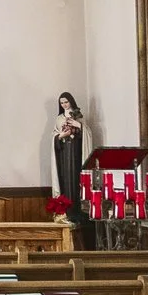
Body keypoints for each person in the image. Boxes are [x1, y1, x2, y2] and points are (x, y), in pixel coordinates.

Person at [53, 92, 86, 224]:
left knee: (76, 179)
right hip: (64, 153)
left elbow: (87, 133)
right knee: (65, 179)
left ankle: (77, 211)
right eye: (62, 103)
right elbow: (55, 136)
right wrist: (61, 135)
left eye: (66, 102)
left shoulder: (78, 116)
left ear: (71, 101)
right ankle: (67, 211)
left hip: (76, 152)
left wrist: (78, 125)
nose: (64, 105)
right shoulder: (59, 118)